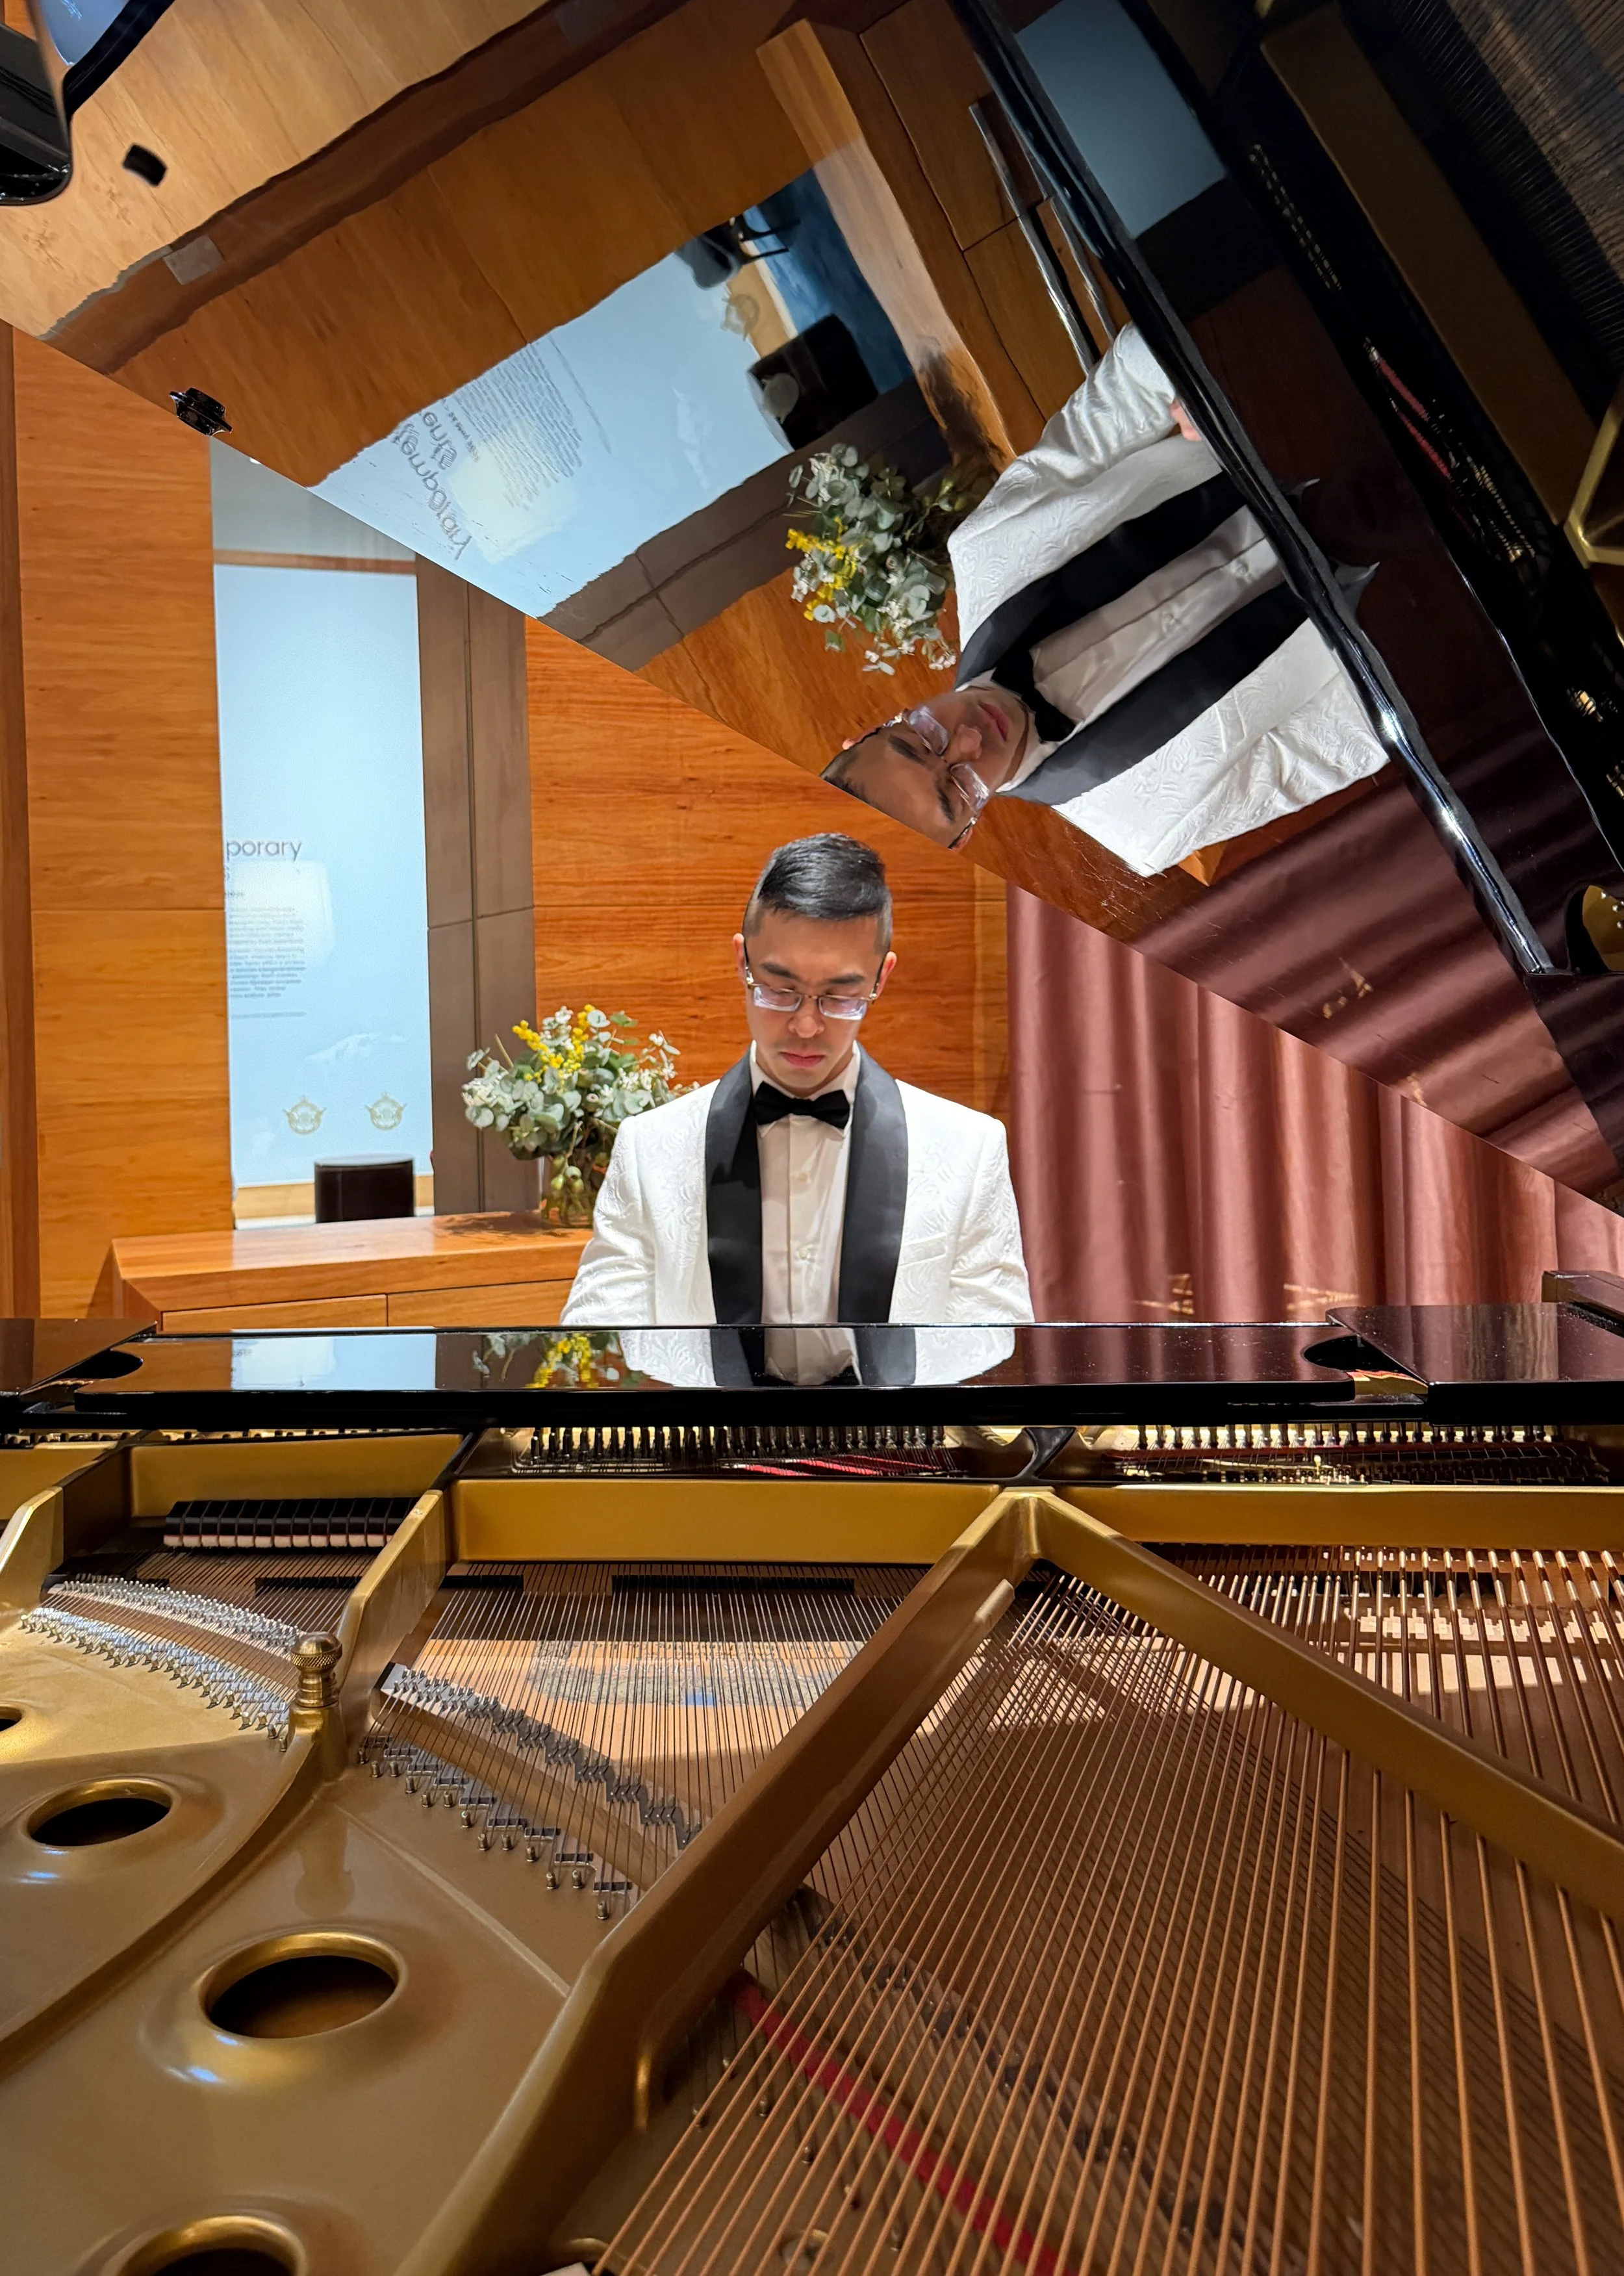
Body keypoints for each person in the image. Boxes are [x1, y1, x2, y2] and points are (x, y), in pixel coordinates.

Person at [820, 323, 1388, 878]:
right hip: (1403, 562)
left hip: (1299, 392)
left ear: (875, 728)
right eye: (958, 790)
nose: (969, 739)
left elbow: (1130, 380)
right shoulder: (1146, 828)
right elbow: (1358, 742)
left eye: (922, 740)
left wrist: (1181, 384)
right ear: (967, 832)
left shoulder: (986, 548)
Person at [562, 834, 1032, 1345]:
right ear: (742, 963)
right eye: (780, 990)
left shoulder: (969, 1148)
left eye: (839, 995)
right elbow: (596, 1344)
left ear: (881, 977)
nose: (806, 1025)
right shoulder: (648, 1148)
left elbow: (996, 1358)